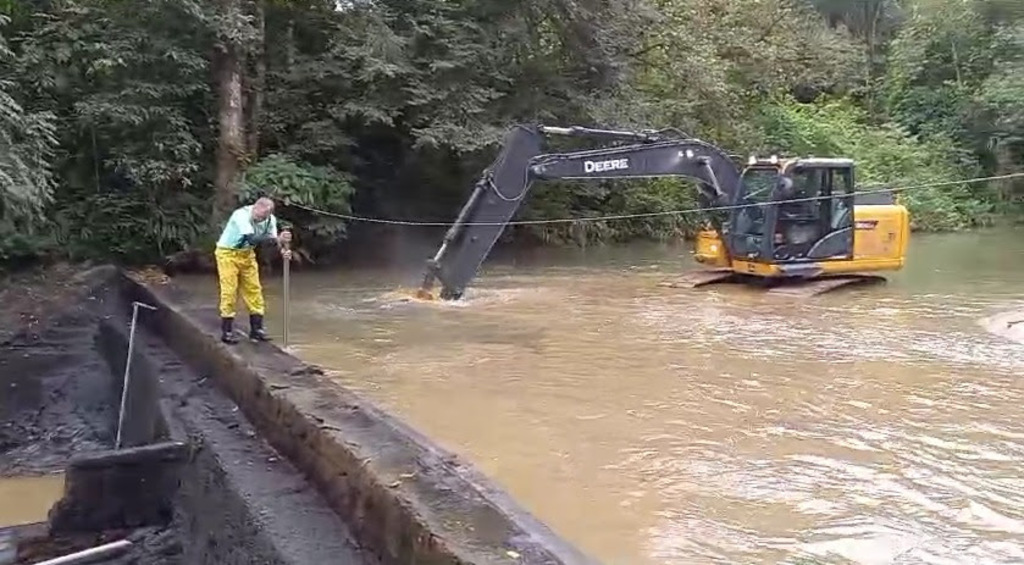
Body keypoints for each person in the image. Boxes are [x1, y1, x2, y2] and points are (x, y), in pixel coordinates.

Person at [214, 197, 292, 344]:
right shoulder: (241, 215)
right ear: (255, 208)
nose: (260, 219)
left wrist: (282, 250)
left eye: (263, 217)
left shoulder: (270, 220)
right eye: (258, 216)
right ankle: (227, 331)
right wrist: (278, 239)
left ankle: (257, 330)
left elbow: (271, 243)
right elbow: (252, 239)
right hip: (227, 253)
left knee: (254, 289)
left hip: (247, 255)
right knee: (229, 291)